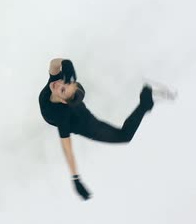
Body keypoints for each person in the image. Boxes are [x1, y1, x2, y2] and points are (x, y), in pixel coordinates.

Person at [38, 58, 171, 200]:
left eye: (63, 88)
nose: (58, 84)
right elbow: (54, 64)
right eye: (64, 81)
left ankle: (146, 100)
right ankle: (147, 101)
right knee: (68, 89)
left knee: (125, 136)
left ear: (64, 101)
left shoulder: (61, 117)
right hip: (75, 108)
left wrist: (75, 178)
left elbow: (67, 149)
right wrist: (66, 63)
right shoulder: (54, 84)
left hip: (88, 125)